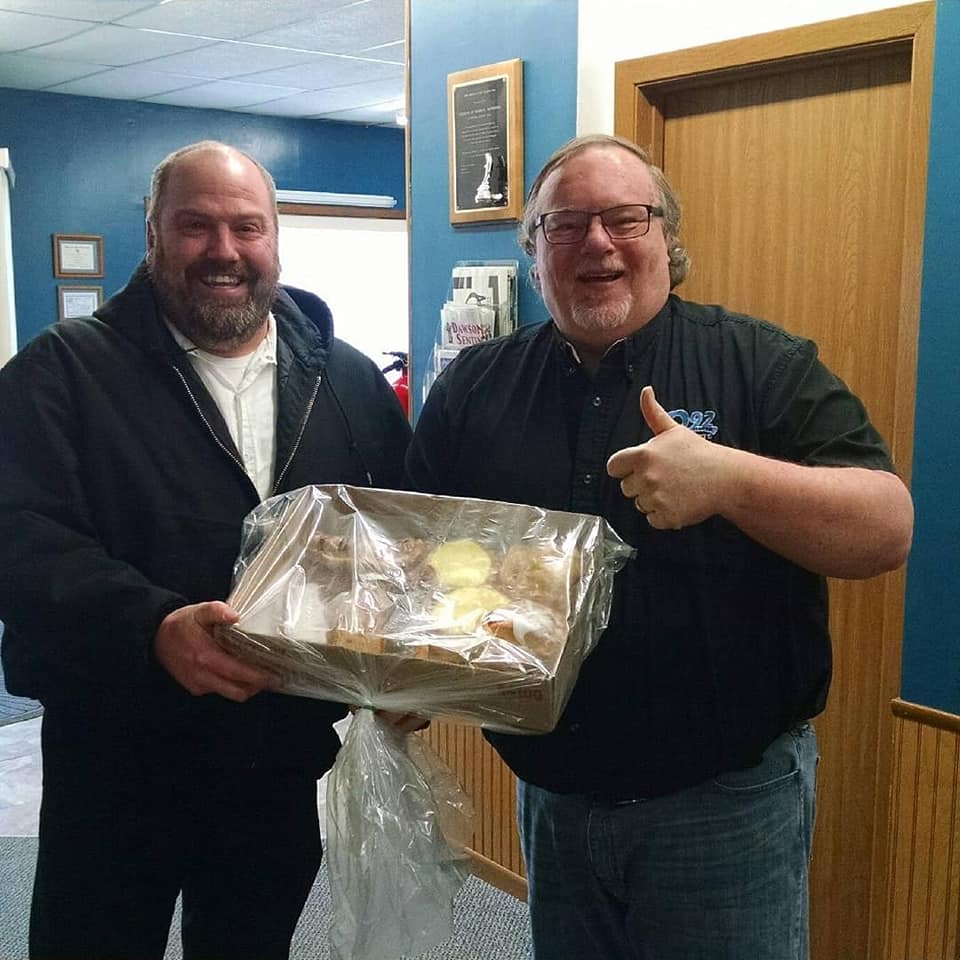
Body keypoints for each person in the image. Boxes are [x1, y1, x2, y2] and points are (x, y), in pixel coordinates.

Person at [405, 133, 914, 959]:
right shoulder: (475, 386)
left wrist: (731, 481)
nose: (597, 243)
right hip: (554, 801)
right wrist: (407, 674)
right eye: (566, 224)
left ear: (667, 239)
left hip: (725, 810)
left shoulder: (761, 364)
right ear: (534, 251)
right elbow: (416, 553)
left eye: (625, 218)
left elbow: (886, 526)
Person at [0, 141, 412, 960]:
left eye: (246, 227)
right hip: (116, 765)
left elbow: (397, 538)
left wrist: (402, 663)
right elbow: (20, 540)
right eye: (196, 226)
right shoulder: (63, 372)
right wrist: (152, 627)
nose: (224, 250)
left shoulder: (345, 378)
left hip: (278, 763)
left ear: (275, 239)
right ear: (153, 235)